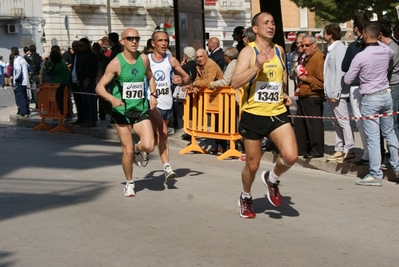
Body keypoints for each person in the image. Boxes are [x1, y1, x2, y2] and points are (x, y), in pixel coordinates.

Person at [231, 12, 297, 219]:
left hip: (276, 112)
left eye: (273, 23)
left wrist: (283, 93)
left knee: (291, 155)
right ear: (256, 29)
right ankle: (246, 196)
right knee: (252, 164)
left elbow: (280, 76)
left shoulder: (279, 50)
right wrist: (257, 66)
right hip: (253, 114)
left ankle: (272, 178)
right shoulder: (248, 53)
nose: (271, 26)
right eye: (265, 23)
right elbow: (235, 82)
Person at [95, 28, 157, 197]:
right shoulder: (115, 63)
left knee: (149, 146)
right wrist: (111, 99)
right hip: (122, 111)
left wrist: (152, 94)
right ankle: (129, 183)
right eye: (130, 38)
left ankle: (139, 149)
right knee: (127, 151)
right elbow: (99, 87)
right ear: (122, 41)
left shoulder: (143, 59)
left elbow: (150, 77)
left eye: (137, 38)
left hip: (140, 108)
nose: (134, 41)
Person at [344, 21, 399, 186]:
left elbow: (347, 79)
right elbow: (390, 52)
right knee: (390, 133)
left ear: (365, 35)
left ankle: (375, 174)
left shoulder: (361, 56)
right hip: (386, 95)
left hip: (370, 97)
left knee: (374, 138)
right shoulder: (385, 50)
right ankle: (397, 167)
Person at [148, 30, 191, 182]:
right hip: (152, 102)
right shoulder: (146, 60)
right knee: (163, 132)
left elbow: (186, 77)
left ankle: (141, 148)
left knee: (155, 139)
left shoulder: (171, 60)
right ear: (153, 43)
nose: (164, 43)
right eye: (160, 40)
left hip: (167, 103)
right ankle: (167, 167)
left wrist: (181, 81)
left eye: (166, 40)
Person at [323, 24, 355, 163]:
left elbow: (339, 73)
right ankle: (339, 148)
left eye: (324, 33)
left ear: (330, 35)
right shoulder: (331, 50)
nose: (323, 35)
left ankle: (349, 149)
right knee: (336, 122)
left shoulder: (339, 49)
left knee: (343, 122)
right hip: (331, 92)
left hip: (338, 94)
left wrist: (336, 93)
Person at [341, 11, 370, 166]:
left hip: (357, 86)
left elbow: (344, 66)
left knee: (361, 122)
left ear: (357, 29)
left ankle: (367, 154)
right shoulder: (379, 45)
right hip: (376, 86)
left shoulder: (354, 47)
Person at [294, 34, 325, 159]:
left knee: (314, 124)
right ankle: (301, 149)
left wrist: (306, 79)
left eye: (307, 45)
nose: (304, 48)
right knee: (299, 123)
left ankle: (317, 149)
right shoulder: (307, 58)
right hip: (304, 94)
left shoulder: (318, 58)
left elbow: (321, 82)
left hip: (312, 95)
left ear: (314, 45)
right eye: (302, 45)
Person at [378, 19, 399, 142]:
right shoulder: (390, 47)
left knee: (392, 122)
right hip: (390, 85)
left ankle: (395, 153)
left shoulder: (392, 49)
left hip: (393, 85)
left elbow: (386, 68)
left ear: (380, 34)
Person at [77, 38, 98, 127]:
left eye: (82, 45)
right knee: (85, 102)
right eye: (79, 45)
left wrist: (88, 79)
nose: (80, 47)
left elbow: (93, 69)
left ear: (86, 45)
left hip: (88, 81)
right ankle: (86, 119)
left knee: (90, 101)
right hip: (81, 81)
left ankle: (92, 119)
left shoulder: (90, 55)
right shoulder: (80, 55)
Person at [12, 46, 31, 118]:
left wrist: (16, 79)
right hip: (25, 80)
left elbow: (18, 70)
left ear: (12, 53)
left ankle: (23, 112)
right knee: (25, 96)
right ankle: (28, 111)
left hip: (20, 81)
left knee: (21, 97)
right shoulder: (22, 59)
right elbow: (29, 68)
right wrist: (27, 76)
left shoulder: (16, 60)